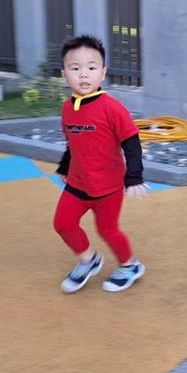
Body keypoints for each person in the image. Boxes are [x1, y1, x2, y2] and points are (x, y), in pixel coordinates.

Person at [53, 35, 148, 294]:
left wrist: (134, 177)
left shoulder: (112, 108)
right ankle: (89, 260)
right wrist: (64, 167)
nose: (84, 74)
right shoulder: (67, 108)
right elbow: (73, 142)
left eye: (91, 67)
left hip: (108, 187)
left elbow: (131, 143)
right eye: (75, 68)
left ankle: (130, 266)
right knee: (63, 224)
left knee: (107, 230)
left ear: (103, 72)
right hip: (78, 184)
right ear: (64, 74)